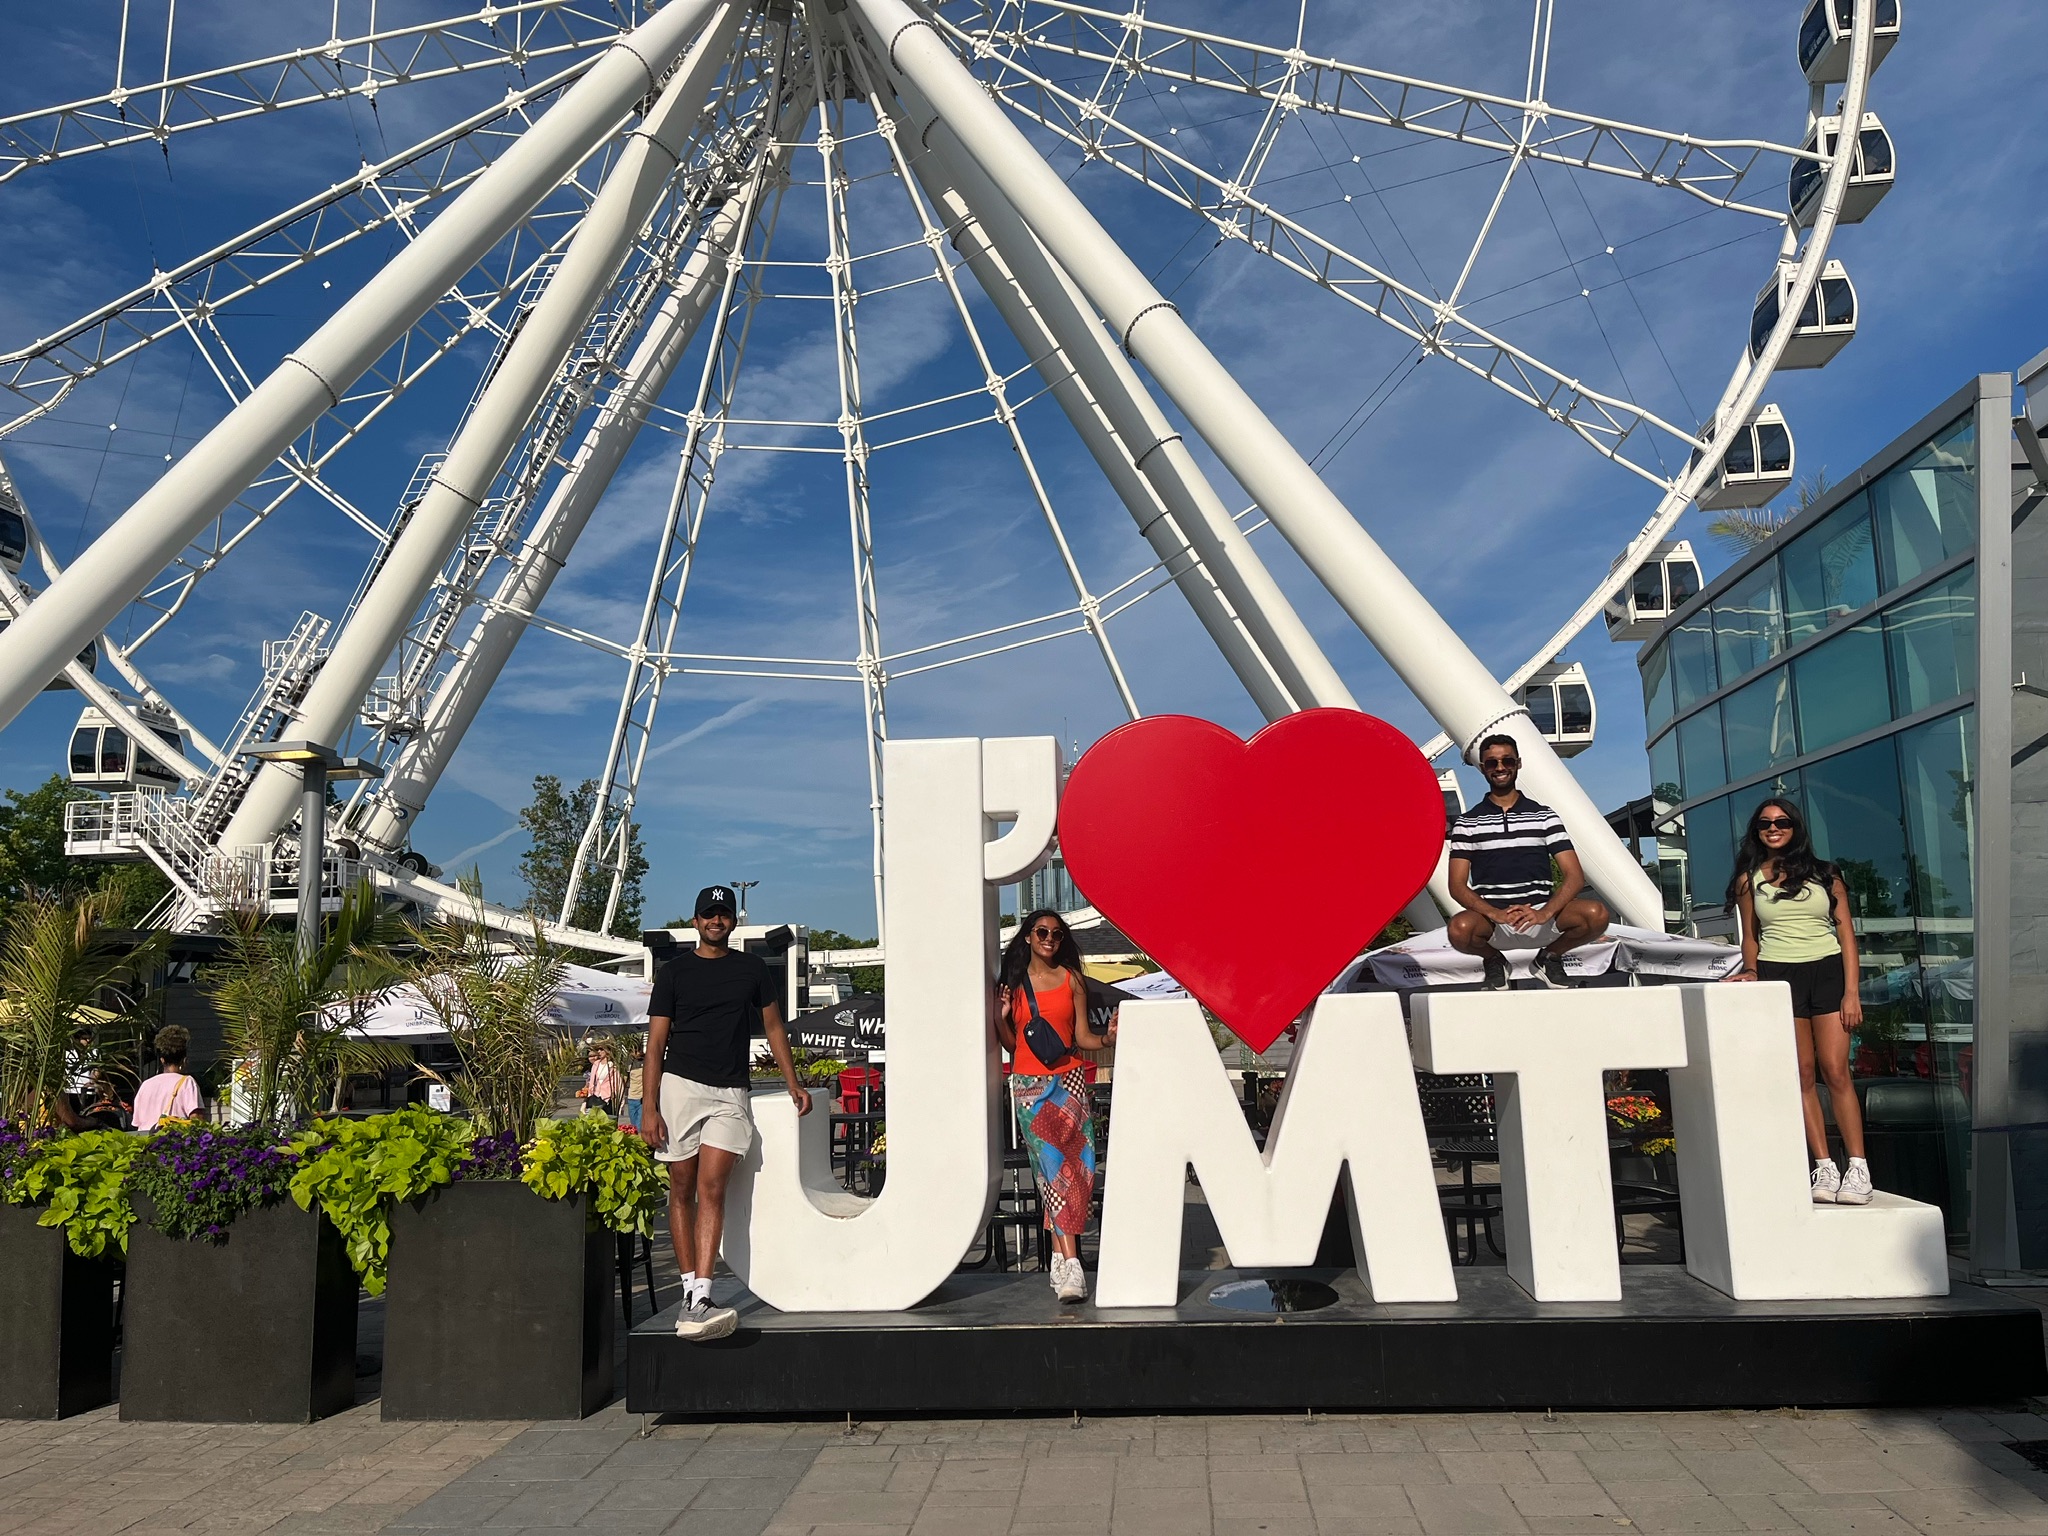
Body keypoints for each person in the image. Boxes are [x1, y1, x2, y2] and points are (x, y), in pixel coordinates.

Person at [641, 885, 812, 1341]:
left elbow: (774, 1027)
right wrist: (649, 1107)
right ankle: (688, 1292)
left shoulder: (752, 969)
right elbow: (655, 1045)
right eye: (709, 914)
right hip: (680, 1087)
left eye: (724, 914)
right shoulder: (674, 973)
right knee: (681, 1188)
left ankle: (701, 1295)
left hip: (730, 1091)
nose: (716, 920)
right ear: (695, 921)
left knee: (712, 1187)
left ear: (734, 921)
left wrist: (792, 1081)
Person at [1726, 797, 1873, 1206]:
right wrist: (1751, 971)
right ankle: (1824, 1166)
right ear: (1756, 831)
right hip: (1778, 975)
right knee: (1802, 1073)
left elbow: (1847, 936)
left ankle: (1858, 1167)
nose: (1773, 828)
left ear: (1795, 828)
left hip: (1827, 973)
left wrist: (1852, 992)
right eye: (1765, 823)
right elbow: (1751, 937)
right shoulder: (1747, 880)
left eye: (1782, 822)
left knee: (1836, 1071)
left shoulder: (1826, 874)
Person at [995, 909, 1115, 1304]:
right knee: (1051, 1170)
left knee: (1078, 1171)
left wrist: (1107, 1039)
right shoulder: (1014, 984)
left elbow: (1082, 1037)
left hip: (1071, 1081)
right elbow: (1013, 1044)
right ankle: (1074, 1264)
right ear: (1028, 937)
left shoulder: (1073, 980)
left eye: (1057, 934)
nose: (1049, 939)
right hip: (1030, 1086)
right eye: (1042, 932)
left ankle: (1062, 1261)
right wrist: (1001, 1017)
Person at [1447, 733, 1611, 990]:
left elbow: (1574, 876)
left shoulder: (1544, 816)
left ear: (1518, 763)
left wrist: (1544, 912)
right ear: (1482, 768)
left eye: (1507, 760)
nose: (1500, 767)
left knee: (1596, 914)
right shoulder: (1467, 823)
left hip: (1542, 916)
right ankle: (1493, 960)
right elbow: (1456, 886)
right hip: (1493, 922)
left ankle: (1549, 958)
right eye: (1492, 762)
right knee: (1459, 929)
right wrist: (1494, 913)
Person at [133, 1025, 201, 1131]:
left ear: (162, 1060)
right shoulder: (187, 1082)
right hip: (171, 1138)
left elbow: (137, 1123)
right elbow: (197, 1120)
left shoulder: (146, 1085)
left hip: (144, 1140)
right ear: (184, 1060)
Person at [577, 1041, 622, 1117]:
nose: (599, 1051)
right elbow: (592, 1081)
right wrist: (588, 1098)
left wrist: (620, 1101)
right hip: (595, 1095)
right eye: (598, 1050)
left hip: (607, 1097)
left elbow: (618, 1084)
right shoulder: (596, 1064)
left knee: (606, 1119)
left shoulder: (612, 1066)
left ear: (607, 1051)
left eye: (601, 1049)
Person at [621, 1041, 646, 1132]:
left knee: (639, 1126)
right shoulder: (629, 1062)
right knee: (633, 1126)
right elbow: (624, 1079)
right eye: (633, 1050)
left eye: (638, 1050)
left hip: (642, 1099)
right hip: (632, 1098)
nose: (636, 1052)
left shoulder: (647, 1060)